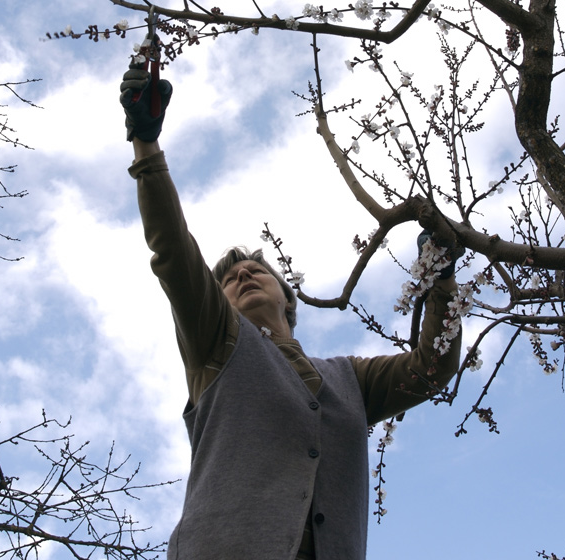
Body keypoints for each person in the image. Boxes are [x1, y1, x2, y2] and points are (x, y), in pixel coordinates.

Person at [120, 62, 462, 560]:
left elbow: (433, 366)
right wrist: (145, 146)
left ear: (288, 297)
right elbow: (173, 251)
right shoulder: (217, 341)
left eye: (256, 272)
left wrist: (441, 277)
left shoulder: (350, 381)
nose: (241, 276)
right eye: (229, 280)